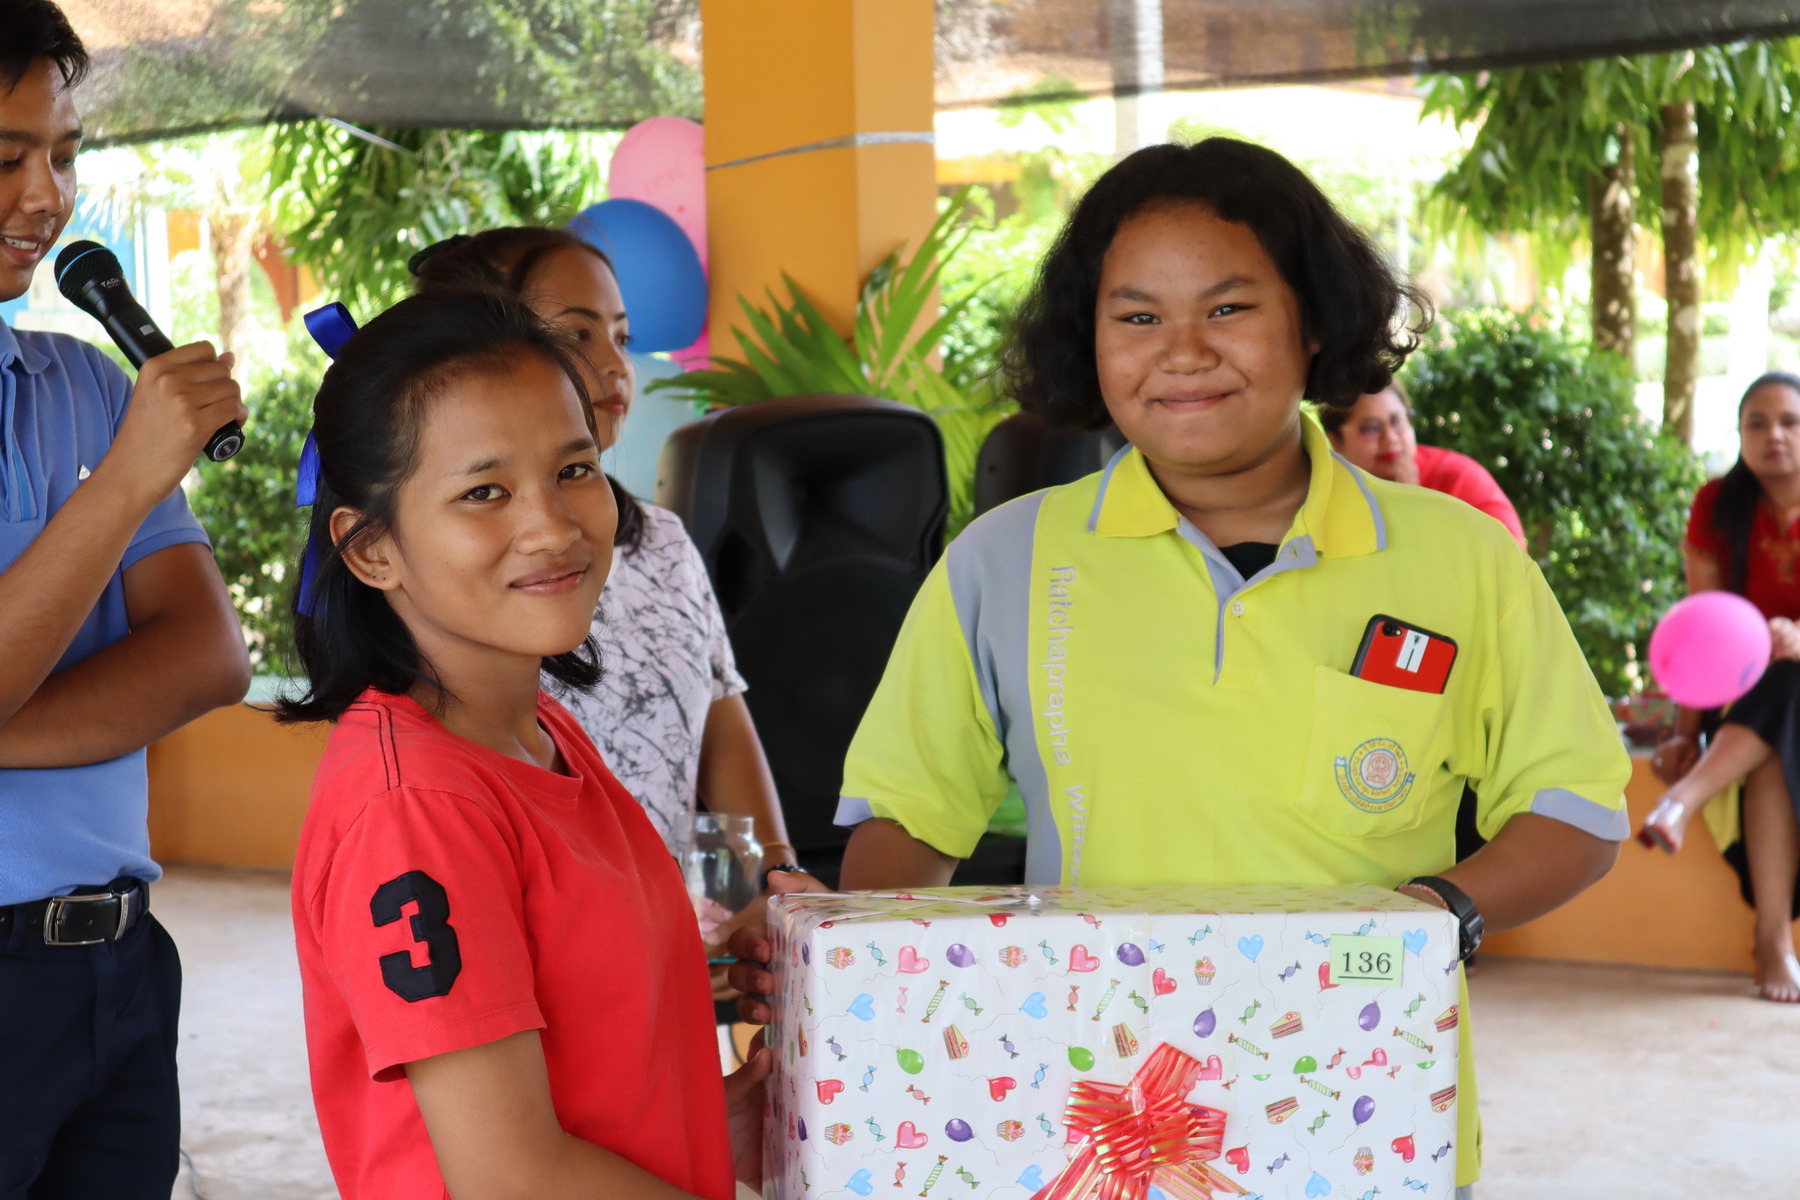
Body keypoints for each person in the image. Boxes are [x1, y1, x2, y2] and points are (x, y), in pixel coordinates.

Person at [732, 139, 1632, 1198]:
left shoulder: (1460, 558)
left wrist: (1439, 911)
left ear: (1314, 321)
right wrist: (852, 968)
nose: (1183, 352)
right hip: (1088, 1118)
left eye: (1229, 308)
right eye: (1138, 317)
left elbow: (1577, 810)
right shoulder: (1005, 560)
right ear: (1090, 339)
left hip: (1370, 1104)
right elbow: (911, 823)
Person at [279, 288, 766, 1199]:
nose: (551, 526)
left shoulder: (542, 734)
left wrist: (720, 1113)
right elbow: (513, 1177)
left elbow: (588, 1031)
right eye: (484, 493)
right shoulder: (417, 810)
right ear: (372, 549)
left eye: (574, 469)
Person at [0, 6, 252, 1195]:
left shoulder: (89, 386)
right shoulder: (125, 437)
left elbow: (208, 655)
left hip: (119, 962)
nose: (45, 198)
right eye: (7, 158)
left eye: (63, 154)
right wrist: (126, 482)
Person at [409, 228, 796, 877]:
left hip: (671, 922)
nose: (615, 364)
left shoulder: (665, 541)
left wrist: (769, 877)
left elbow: (719, 727)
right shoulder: (454, 568)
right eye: (577, 333)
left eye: (622, 336)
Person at [1639, 372, 1800, 1002]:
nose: (1774, 435)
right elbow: (1699, 633)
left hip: (1780, 694)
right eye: (1757, 423)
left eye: (1790, 421)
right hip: (1745, 700)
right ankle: (1774, 942)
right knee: (1781, 715)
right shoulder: (1718, 504)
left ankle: (1683, 801)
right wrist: (1684, 734)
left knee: (1791, 679)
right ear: (1739, 435)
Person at [1323, 381, 1528, 546]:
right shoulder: (1323, 495)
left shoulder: (1457, 476)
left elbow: (1511, 561)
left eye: (1397, 421)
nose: (1391, 438)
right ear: (1335, 440)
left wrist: (1412, 507)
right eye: (1371, 428)